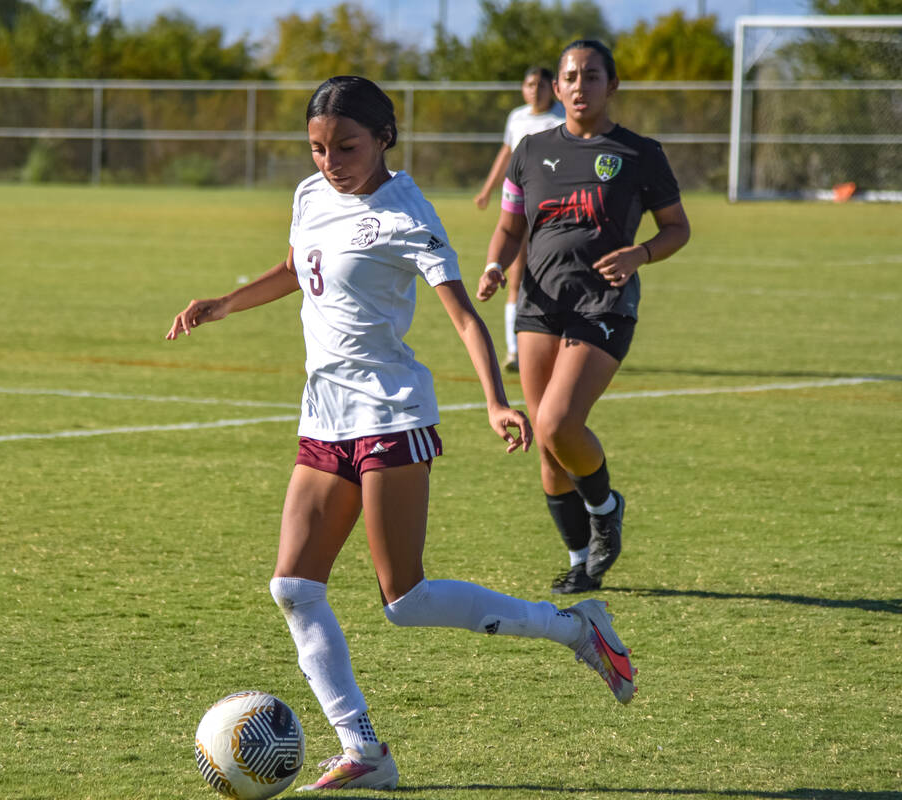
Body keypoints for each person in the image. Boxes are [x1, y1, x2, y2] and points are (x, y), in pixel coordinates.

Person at [168, 75, 637, 792]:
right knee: (294, 586)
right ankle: (363, 751)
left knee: (406, 600)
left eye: (346, 146)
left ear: (384, 136)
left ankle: (578, 629)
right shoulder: (308, 195)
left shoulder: (406, 211)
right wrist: (225, 303)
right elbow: (299, 268)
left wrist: (495, 402)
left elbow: (462, 317)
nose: (331, 161)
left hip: (391, 413)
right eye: (319, 148)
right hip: (324, 412)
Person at [477, 41, 691, 595]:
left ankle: (606, 507)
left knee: (555, 422)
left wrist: (640, 253)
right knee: (548, 452)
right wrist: (497, 265)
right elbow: (509, 225)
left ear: (611, 85)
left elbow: (676, 228)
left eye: (591, 76)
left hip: (605, 303)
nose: (578, 85)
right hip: (540, 304)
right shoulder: (529, 150)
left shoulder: (640, 153)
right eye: (569, 76)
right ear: (556, 88)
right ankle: (581, 560)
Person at [474, 67, 565, 373]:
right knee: (515, 277)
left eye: (541, 85)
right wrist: (487, 189)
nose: (535, 90)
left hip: (554, 209)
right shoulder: (517, 118)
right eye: (529, 84)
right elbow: (506, 154)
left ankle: (560, 344)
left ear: (552, 88)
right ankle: (514, 351)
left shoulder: (563, 118)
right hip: (519, 203)